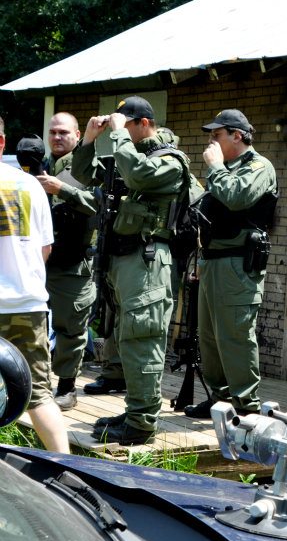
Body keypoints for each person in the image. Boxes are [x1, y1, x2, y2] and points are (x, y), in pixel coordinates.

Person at [71, 96, 186, 445]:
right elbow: (84, 175)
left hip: (147, 260)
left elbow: (137, 176)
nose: (121, 130)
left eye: (127, 123)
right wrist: (88, 141)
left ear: (144, 123)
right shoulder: (129, 154)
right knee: (127, 338)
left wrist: (117, 134)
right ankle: (136, 409)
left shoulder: (170, 161)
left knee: (142, 339)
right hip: (124, 262)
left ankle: (142, 422)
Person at [182, 109, 277, 419]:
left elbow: (238, 197)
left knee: (235, 336)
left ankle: (246, 406)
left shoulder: (258, 167)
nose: (211, 141)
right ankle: (221, 399)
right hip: (212, 262)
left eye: (217, 134)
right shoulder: (225, 168)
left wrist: (216, 168)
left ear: (237, 136)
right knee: (209, 338)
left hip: (238, 265)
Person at [0, 115, 70, 453]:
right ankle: (74, 477)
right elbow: (45, 248)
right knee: (39, 396)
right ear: (2, 144)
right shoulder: (31, 185)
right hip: (26, 305)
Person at [32, 113, 98, 409]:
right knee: (33, 323)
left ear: (77, 133)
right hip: (40, 260)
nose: (57, 138)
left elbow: (97, 206)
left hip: (72, 260)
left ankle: (67, 387)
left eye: (63, 133)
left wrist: (61, 189)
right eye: (52, 133)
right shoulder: (39, 165)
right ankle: (34, 384)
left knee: (70, 325)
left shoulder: (89, 166)